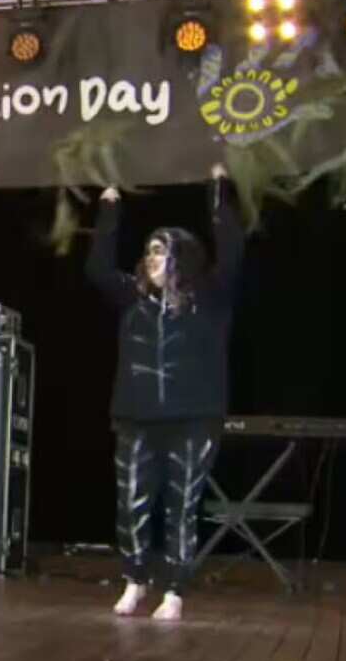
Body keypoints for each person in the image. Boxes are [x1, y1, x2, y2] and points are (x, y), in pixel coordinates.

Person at [86, 164, 241, 621]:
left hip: (194, 419)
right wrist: (110, 210)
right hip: (136, 418)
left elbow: (232, 249)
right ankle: (135, 580)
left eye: (161, 251)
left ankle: (174, 589)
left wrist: (218, 192)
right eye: (149, 252)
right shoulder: (133, 297)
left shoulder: (209, 296)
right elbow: (97, 268)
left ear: (183, 257)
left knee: (182, 506)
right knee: (131, 503)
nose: (152, 259)